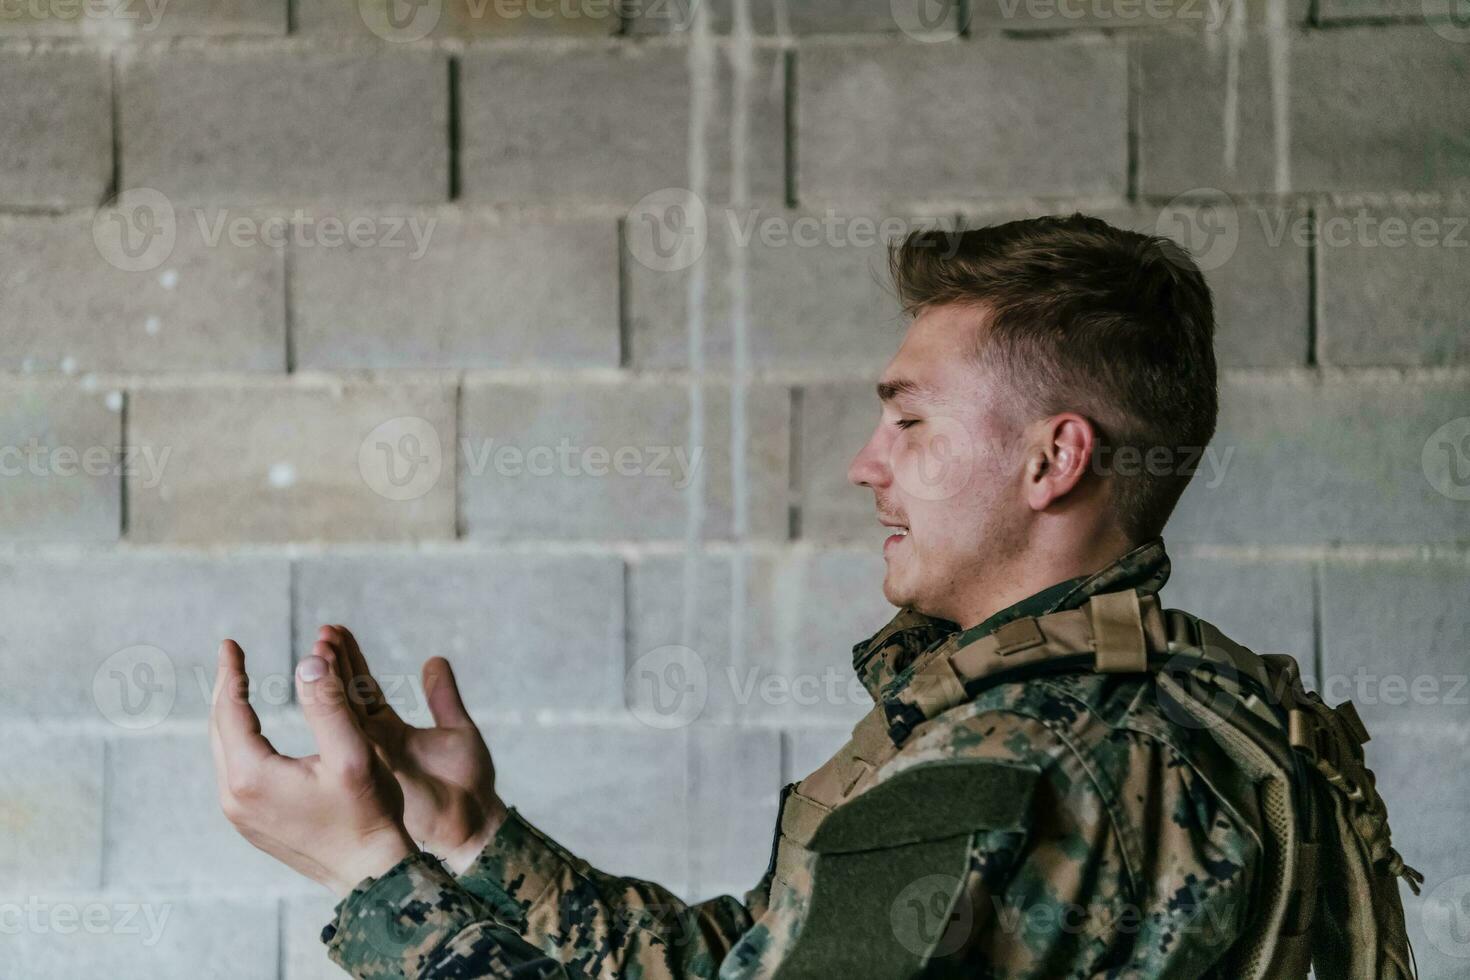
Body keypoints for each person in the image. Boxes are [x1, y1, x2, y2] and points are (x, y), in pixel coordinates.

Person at [209, 214, 1401, 978]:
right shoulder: (1201, 703)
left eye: (909, 418)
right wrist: (467, 836)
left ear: (1055, 458)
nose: (866, 462)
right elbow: (746, 962)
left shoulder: (1018, 758)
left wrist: (368, 875)